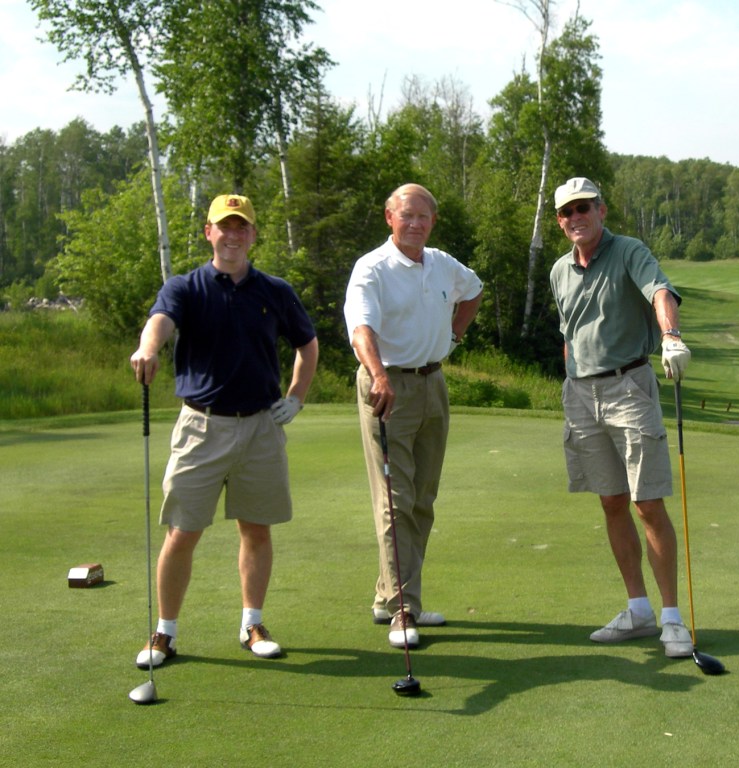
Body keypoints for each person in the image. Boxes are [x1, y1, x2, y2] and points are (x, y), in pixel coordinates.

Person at [129, 193, 319, 667]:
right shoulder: (186, 287)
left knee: (256, 530)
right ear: (208, 231)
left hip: (260, 427)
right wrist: (148, 349)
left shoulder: (274, 290)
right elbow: (160, 321)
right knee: (182, 532)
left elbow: (308, 344)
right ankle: (163, 632)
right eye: (224, 226)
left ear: (253, 235)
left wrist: (295, 396)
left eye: (242, 227)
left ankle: (252, 624)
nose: (233, 235)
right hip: (201, 426)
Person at [548, 177, 695, 658]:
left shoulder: (629, 251)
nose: (576, 217)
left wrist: (670, 337)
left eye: (584, 207)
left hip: (629, 386)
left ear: (601, 209)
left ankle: (672, 618)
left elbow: (660, 292)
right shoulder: (558, 271)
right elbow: (570, 332)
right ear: (559, 220)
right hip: (580, 393)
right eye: (567, 212)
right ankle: (638, 610)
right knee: (611, 501)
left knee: (646, 503)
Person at [344, 183, 483, 649]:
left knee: (422, 498)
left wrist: (454, 335)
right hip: (387, 388)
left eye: (424, 216)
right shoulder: (372, 268)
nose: (416, 223)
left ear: (433, 221)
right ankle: (405, 607)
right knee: (395, 499)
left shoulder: (443, 264)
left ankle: (392, 597)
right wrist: (378, 373)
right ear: (389, 217)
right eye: (407, 215)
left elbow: (474, 291)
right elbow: (361, 329)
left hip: (433, 384)